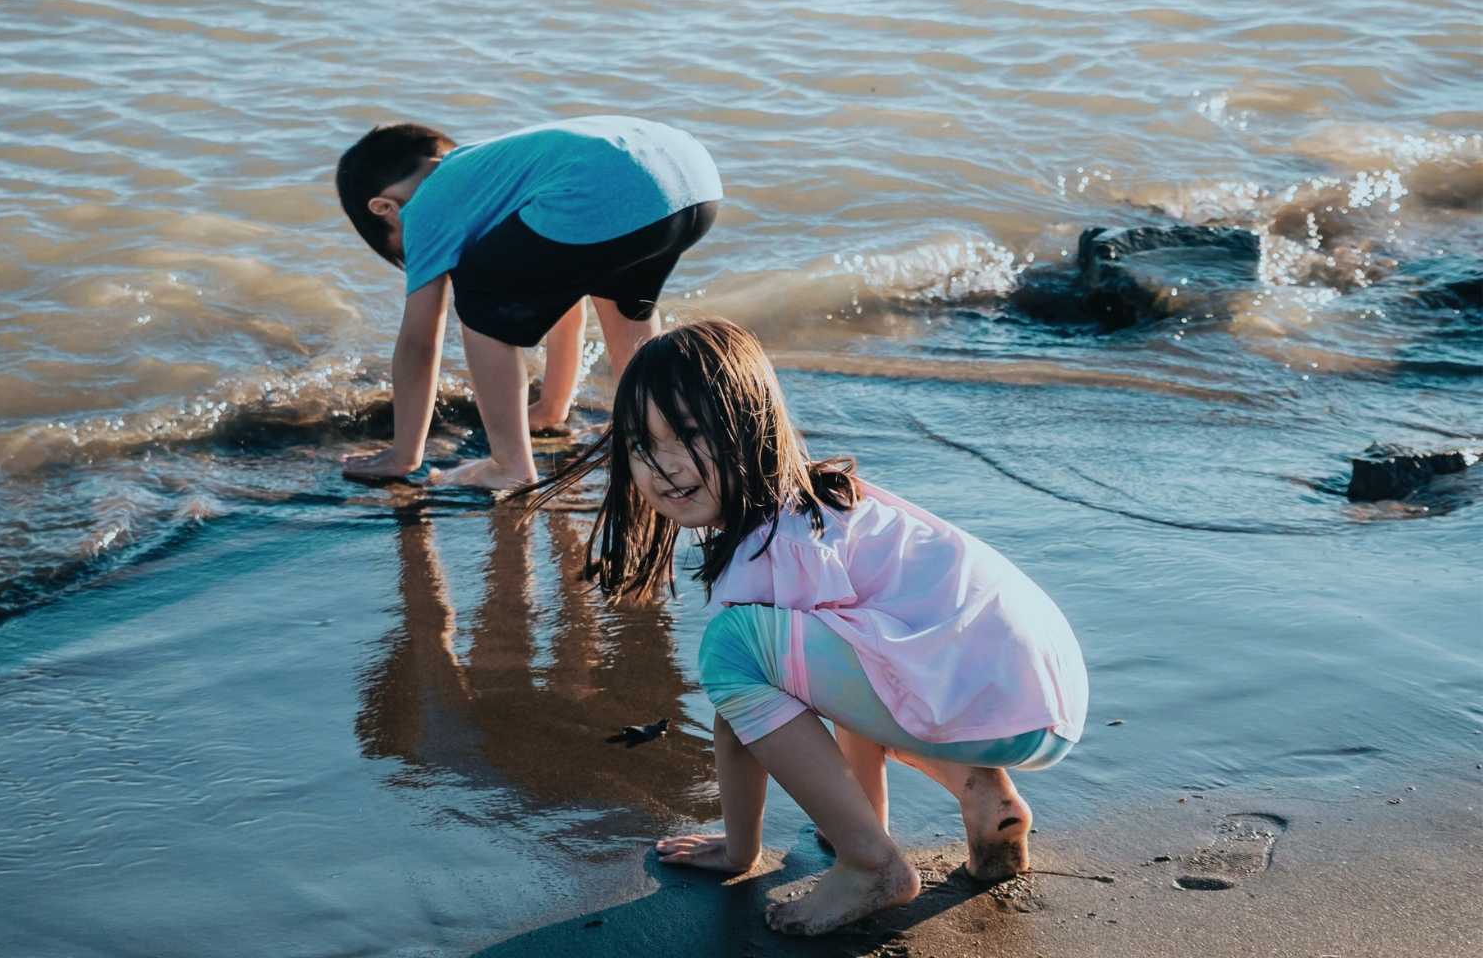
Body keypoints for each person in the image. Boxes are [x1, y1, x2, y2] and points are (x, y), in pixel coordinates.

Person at [528, 320, 1088, 936]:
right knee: (779, 664)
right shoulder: (827, 506)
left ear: (748, 425)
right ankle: (984, 797)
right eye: (641, 445)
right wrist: (775, 838)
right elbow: (840, 680)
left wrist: (810, 847)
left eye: (686, 435)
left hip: (990, 700)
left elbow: (746, 698)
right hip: (1033, 705)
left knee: (731, 653)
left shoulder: (775, 547)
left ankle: (871, 862)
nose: (661, 467)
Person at [335, 115, 721, 489]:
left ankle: (508, 466)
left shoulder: (423, 205)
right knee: (619, 294)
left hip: (608, 188)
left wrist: (403, 457)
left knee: (478, 289)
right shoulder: (490, 172)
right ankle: (640, 420)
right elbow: (559, 292)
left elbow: (418, 345)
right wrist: (553, 410)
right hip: (690, 181)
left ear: (384, 208)